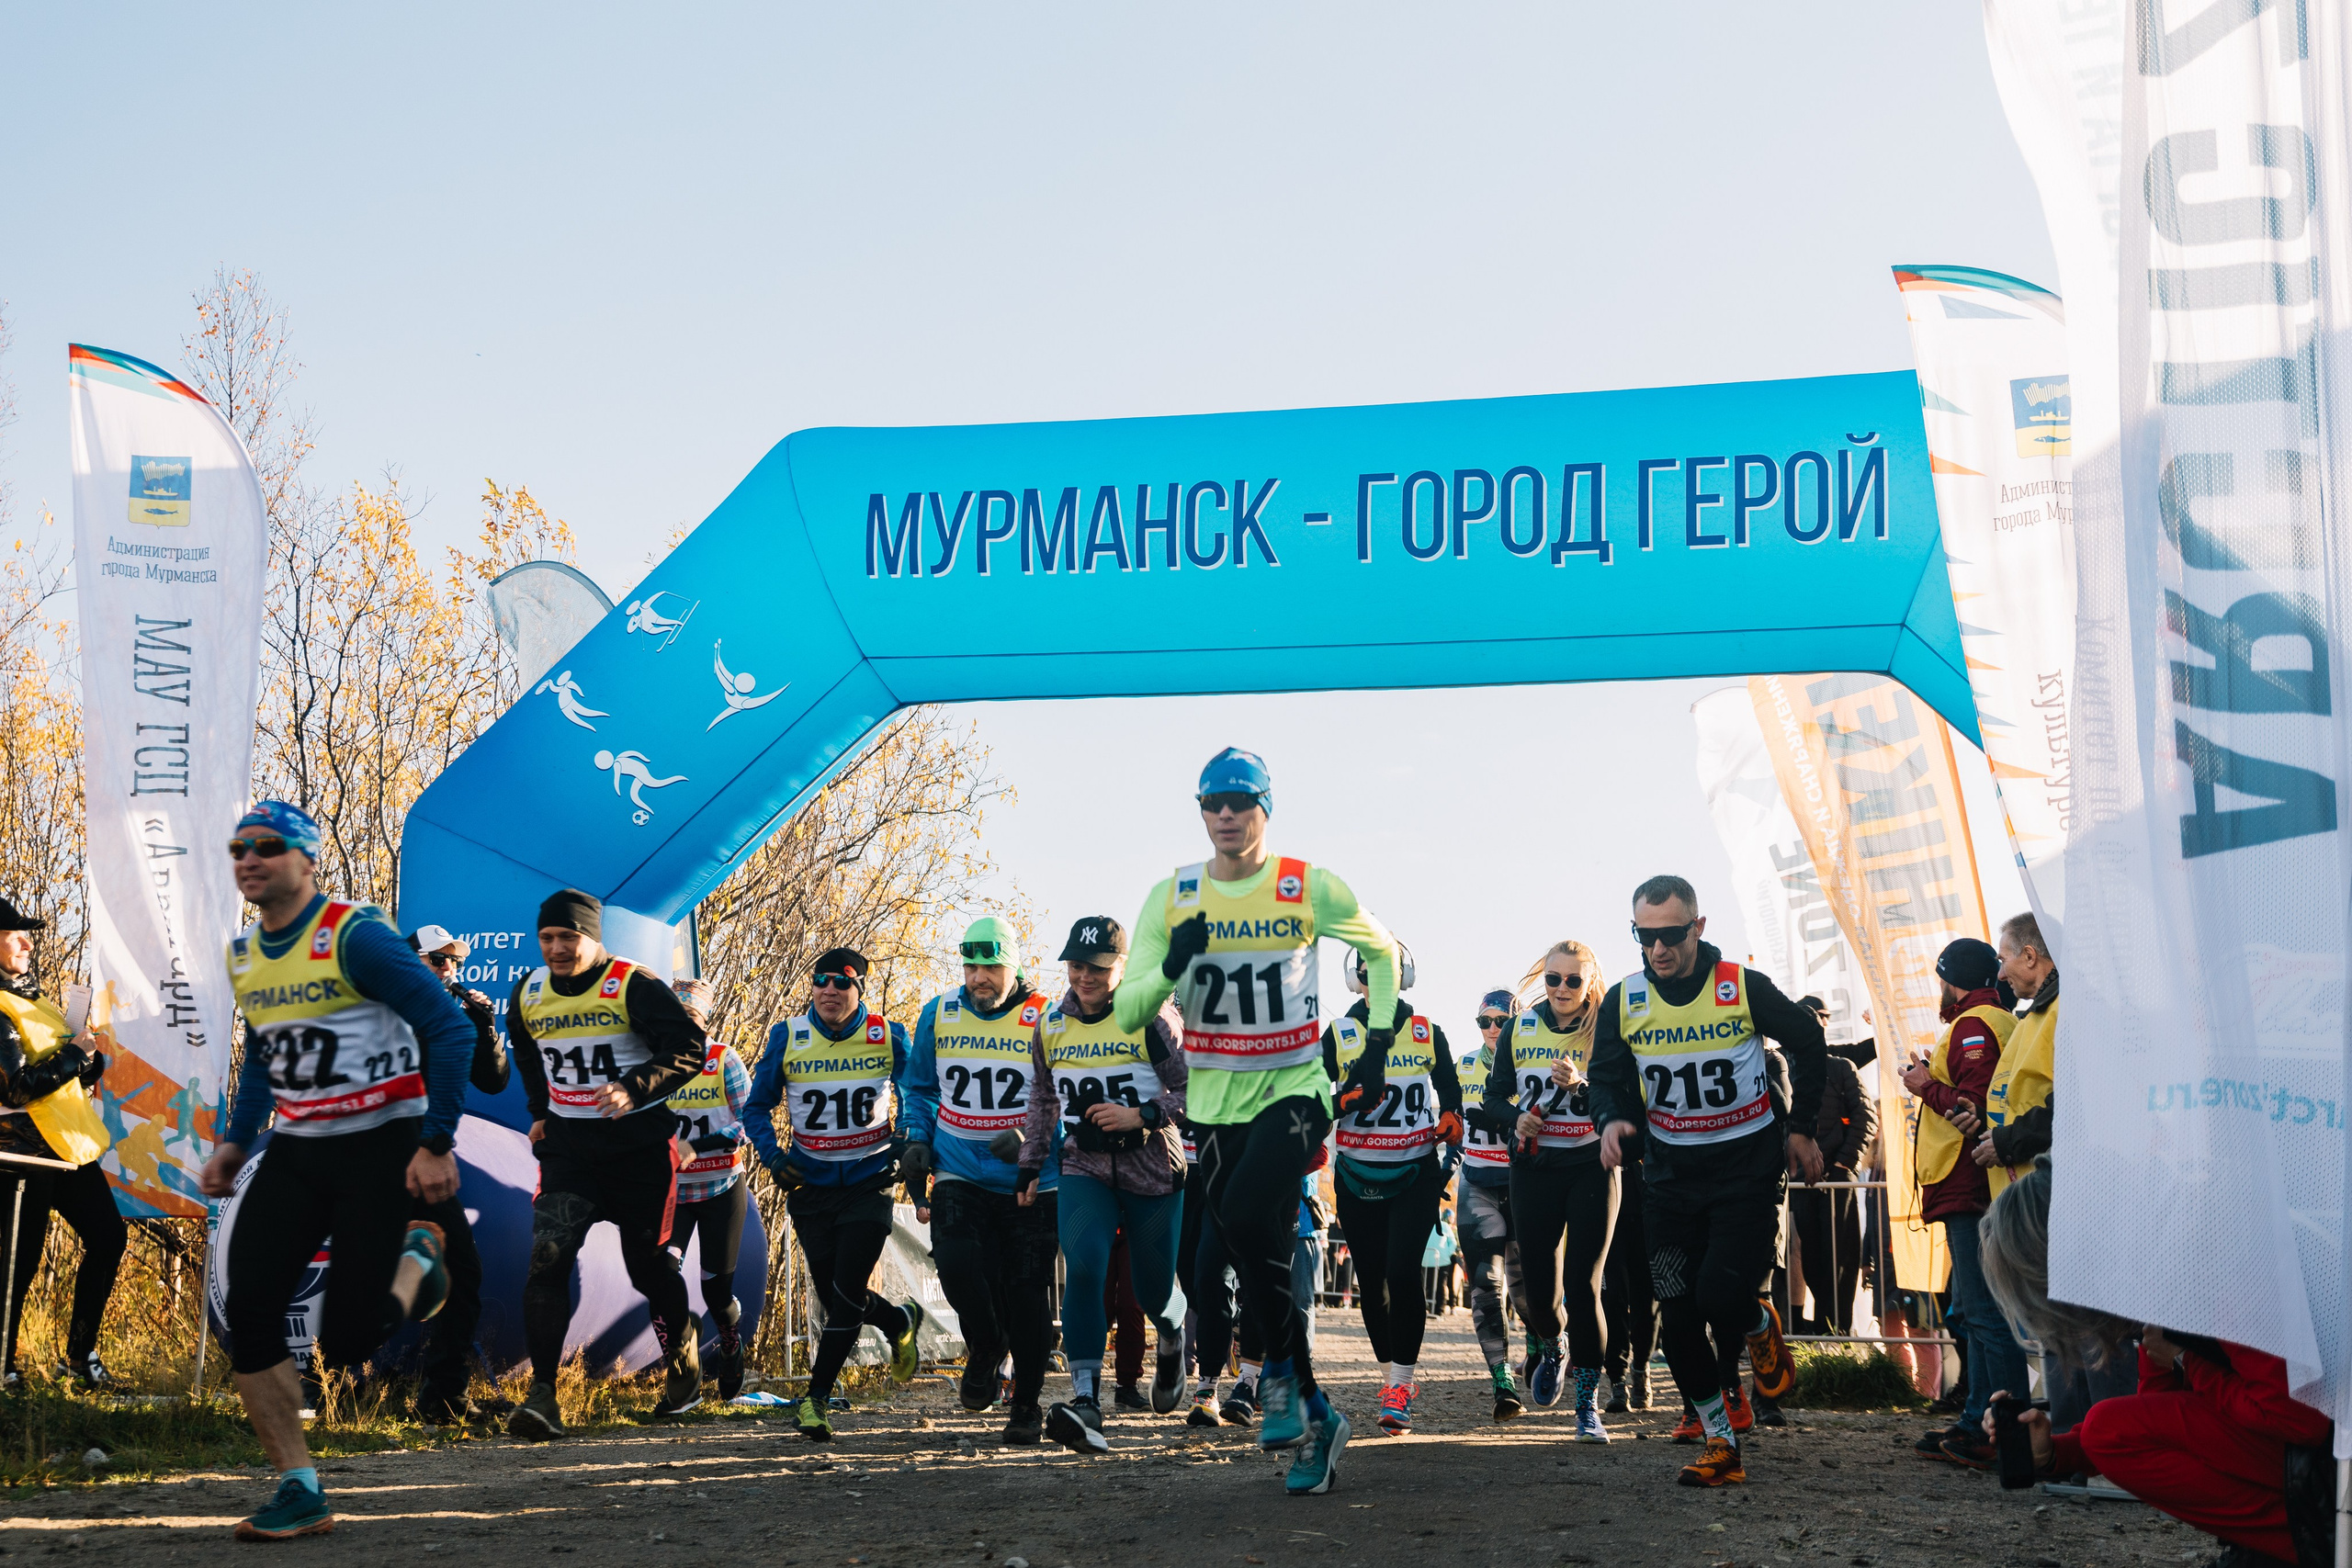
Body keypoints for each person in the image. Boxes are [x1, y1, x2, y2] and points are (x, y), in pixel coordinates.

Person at [1112, 747, 1399, 1496]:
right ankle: (1315, 1411)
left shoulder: (1307, 884)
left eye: (1240, 801)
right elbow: (1129, 1009)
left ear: (1265, 807)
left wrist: (1377, 1043)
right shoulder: (1172, 896)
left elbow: (1382, 951)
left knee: (1243, 1215)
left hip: (1296, 1093)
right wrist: (1169, 965)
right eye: (1212, 802)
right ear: (1201, 811)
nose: (1226, 814)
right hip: (1215, 1108)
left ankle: (1275, 1379)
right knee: (1248, 1248)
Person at [198, 801, 467, 1541]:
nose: (249, 858)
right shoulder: (246, 954)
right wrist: (234, 1141)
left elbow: (449, 1027)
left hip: (381, 1141)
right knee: (250, 1310)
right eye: (239, 848)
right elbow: (265, 1056)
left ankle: (417, 1261)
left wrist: (436, 1140)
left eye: (267, 845)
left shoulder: (356, 936)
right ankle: (299, 1485)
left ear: (307, 859)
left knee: (348, 1341)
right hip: (298, 1147)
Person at [1589, 874, 1825, 1490]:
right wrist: (1611, 1119)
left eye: (1670, 934)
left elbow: (1808, 1038)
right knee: (1678, 1314)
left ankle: (1757, 1324)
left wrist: (1802, 1128)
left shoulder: (1739, 985)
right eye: (1644, 936)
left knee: (1720, 1295)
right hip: (1670, 1179)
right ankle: (1722, 1441)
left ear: (1697, 927)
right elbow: (1606, 1076)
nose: (1657, 949)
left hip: (1745, 1171)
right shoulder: (1624, 999)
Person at [1981, 1158, 2335, 1566]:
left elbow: (2299, 1420)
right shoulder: (2166, 1272)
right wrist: (2055, 1454)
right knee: (2109, 1430)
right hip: (2309, 1462)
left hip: (2326, 1461)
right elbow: (2152, 1419)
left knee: (2106, 1428)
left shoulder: (2223, 1261)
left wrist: (2186, 1361)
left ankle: (2311, 1545)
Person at [504, 889, 708, 1439]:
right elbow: (526, 1051)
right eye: (547, 938)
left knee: (648, 1271)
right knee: (547, 1260)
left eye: (568, 937)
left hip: (639, 1154)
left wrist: (634, 1087)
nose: (557, 949)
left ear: (593, 938)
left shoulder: (632, 984)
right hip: (570, 1153)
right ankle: (543, 1396)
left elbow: (690, 1048)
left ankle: (681, 1341)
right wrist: (540, 1111)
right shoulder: (529, 992)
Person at [1017, 915, 1189, 1454]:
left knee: (1153, 1291)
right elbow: (1043, 1099)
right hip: (1083, 1166)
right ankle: (1086, 1400)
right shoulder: (1051, 1025)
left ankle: (1173, 1332)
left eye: (1097, 967)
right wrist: (1029, 1163)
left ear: (1122, 967)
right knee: (1086, 1267)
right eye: (1075, 965)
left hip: (1152, 1168)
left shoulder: (1153, 1018)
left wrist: (1143, 1115)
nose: (1084, 977)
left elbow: (1198, 1090)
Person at [742, 947, 924, 1440]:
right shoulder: (788, 1035)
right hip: (811, 1184)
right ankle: (897, 1320)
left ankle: (816, 1399)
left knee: (845, 1297)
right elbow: (755, 1108)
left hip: (870, 1180)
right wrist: (773, 1157)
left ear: (859, 989)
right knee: (834, 1296)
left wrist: (908, 1136)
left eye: (842, 983)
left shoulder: (888, 1035)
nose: (829, 991)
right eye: (820, 981)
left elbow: (916, 1092)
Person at [904, 915, 1060, 1445]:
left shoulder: (1046, 1017)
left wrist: (1032, 1140)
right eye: (971, 968)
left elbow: (1067, 1095)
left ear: (1013, 966)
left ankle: (1027, 1405)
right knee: (956, 1265)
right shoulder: (939, 1012)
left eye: (991, 967)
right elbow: (920, 1087)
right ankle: (988, 1346)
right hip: (958, 1167)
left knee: (1025, 1292)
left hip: (1030, 1179)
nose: (979, 978)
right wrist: (917, 1137)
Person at [1321, 942, 1460, 1436]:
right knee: (1372, 1283)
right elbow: (1309, 1099)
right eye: (1369, 974)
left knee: (1402, 1273)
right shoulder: (1339, 1034)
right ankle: (1389, 1377)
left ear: (1405, 976)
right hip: (1356, 1176)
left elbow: (1451, 1088)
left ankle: (1401, 1387)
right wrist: (1342, 1102)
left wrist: (1451, 1117)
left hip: (1415, 1173)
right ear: (1356, 979)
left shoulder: (1427, 1031)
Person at [1485, 939, 1619, 1441]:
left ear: (1590, 982)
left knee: (1585, 1288)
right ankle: (1553, 1341)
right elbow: (1493, 1098)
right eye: (1554, 979)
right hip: (1535, 1168)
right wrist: (1516, 1119)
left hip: (1590, 1166)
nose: (1562, 989)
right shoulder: (1520, 1027)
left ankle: (1587, 1406)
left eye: (1574, 980)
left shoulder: (1605, 1028)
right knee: (1540, 1297)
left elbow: (1621, 1097)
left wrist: (1581, 1084)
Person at [1900, 937, 2025, 1468]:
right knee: (1977, 1311)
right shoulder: (1994, 1021)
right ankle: (1979, 1420)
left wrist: (1924, 1085)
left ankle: (2000, 1433)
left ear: (1952, 980)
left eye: (1941, 978)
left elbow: (1972, 1110)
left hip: (1968, 1183)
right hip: (1977, 1183)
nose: (1939, 988)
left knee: (1984, 1312)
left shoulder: (1974, 1026)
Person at [0, 895, 119, 1392]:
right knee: (18, 1264)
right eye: (16, 935)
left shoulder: (33, 997)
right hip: (22, 1155)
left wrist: (88, 1059)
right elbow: (15, 1088)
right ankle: (3, 1368)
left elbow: (61, 1065)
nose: (28, 943)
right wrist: (72, 1056)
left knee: (109, 1238)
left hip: (68, 1148)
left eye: (27, 934)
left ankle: (79, 1357)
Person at [403, 923, 510, 1424]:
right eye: (438, 959)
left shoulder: (457, 1011)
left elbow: (493, 1081)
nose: (449, 968)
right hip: (379, 1155)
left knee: (462, 1271)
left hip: (425, 1160)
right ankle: (318, 1385)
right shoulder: (388, 1004)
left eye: (455, 961)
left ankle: (443, 1396)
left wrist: (485, 1028)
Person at [665, 977, 754, 1403]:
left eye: (692, 1017)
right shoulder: (653, 1063)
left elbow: (751, 1121)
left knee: (715, 1291)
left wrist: (699, 1147)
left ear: (705, 1021)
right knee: (660, 1277)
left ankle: (730, 1344)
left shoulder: (723, 1060)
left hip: (721, 1188)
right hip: (673, 1195)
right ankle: (682, 1372)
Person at [1456, 988, 1529, 1419]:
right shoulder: (1464, 1064)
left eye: (1501, 1021)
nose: (1492, 1029)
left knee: (1527, 1291)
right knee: (1486, 1284)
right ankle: (1502, 1379)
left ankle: (1543, 1340)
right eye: (1485, 1021)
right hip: (1478, 1181)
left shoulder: (1530, 1062)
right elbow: (1451, 1117)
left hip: (1524, 1183)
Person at [1788, 995, 1876, 1337]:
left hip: (1838, 1181)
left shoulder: (1840, 1066)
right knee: (1811, 1259)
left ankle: (1837, 1332)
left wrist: (1842, 1164)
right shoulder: (1782, 1068)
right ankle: (1828, 1330)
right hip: (1800, 1183)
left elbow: (1865, 1116)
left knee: (1842, 1257)